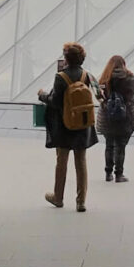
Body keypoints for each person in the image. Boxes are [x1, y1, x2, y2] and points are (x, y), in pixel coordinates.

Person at [40, 41, 96, 210]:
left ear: (66, 58)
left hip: (64, 124)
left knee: (61, 161)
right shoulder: (86, 75)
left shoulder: (61, 76)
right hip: (82, 124)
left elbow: (55, 102)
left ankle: (58, 197)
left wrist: (42, 95)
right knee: (81, 162)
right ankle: (81, 201)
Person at [98, 53, 134, 182]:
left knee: (109, 145)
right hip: (125, 116)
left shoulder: (104, 79)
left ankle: (108, 173)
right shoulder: (130, 78)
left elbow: (99, 96)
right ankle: (119, 174)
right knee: (121, 146)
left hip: (108, 117)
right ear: (123, 64)